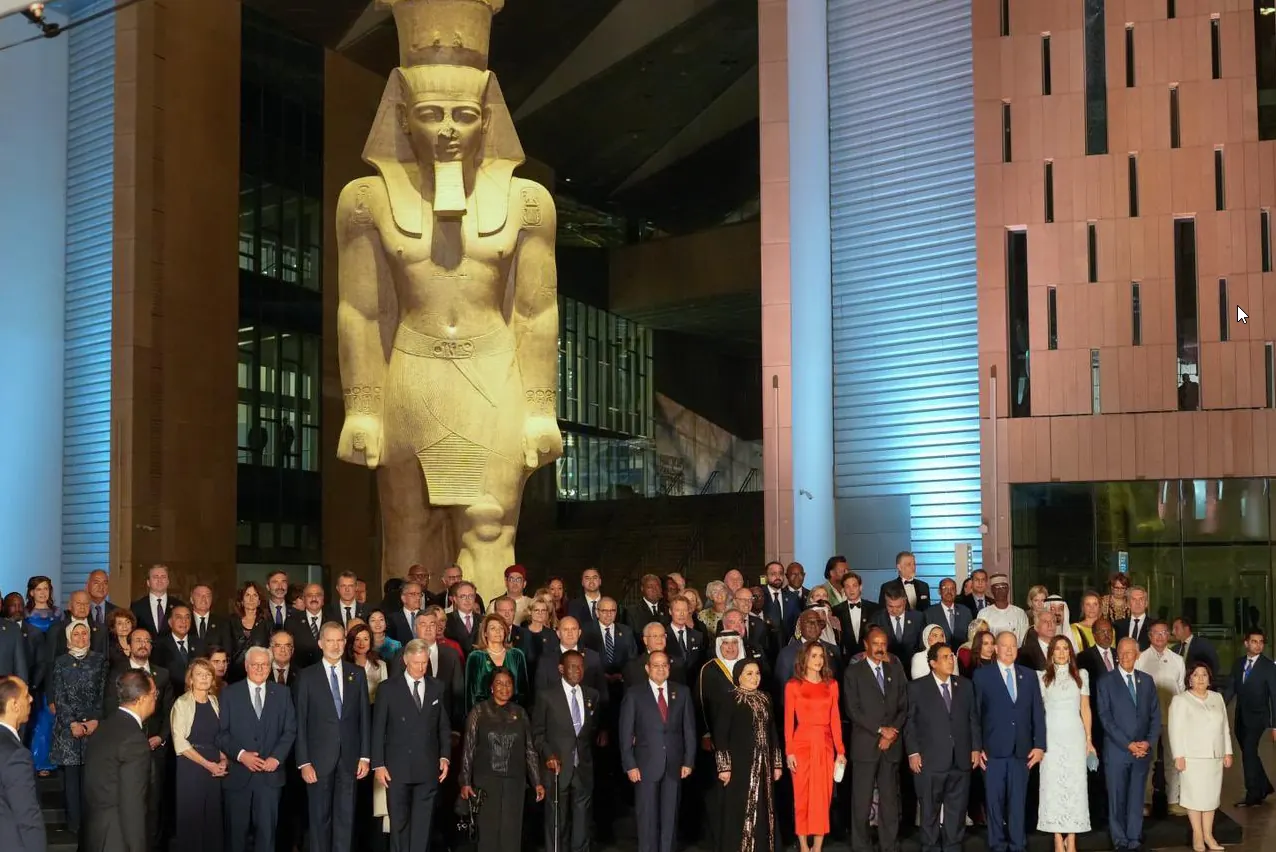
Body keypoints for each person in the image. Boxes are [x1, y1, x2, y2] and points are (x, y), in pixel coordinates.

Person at [296, 623, 371, 852]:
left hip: (350, 759)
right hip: (317, 761)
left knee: (346, 819)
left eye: (340, 640)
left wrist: (365, 757)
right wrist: (304, 761)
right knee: (319, 820)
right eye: (330, 640)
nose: (336, 645)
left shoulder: (356, 674)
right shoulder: (307, 676)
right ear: (320, 644)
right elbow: (300, 721)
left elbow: (364, 718)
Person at [372, 639, 452, 852]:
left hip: (427, 767)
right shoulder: (388, 689)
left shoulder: (437, 687)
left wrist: (445, 756)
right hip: (396, 769)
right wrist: (378, 764)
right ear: (406, 660)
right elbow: (379, 728)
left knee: (423, 826)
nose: (421, 667)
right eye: (416, 662)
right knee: (399, 824)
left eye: (424, 662)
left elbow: (443, 726)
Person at [216, 645, 298, 852]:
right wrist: (242, 755)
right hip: (238, 776)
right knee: (236, 837)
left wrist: (276, 758)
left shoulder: (283, 693)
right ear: (246, 666)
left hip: (270, 778)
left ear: (270, 667)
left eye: (264, 665)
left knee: (267, 835)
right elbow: (221, 733)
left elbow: (290, 731)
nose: (260, 669)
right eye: (255, 665)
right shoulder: (229, 694)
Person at [972, 631, 1046, 852]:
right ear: (995, 648)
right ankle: (997, 845)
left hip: (1022, 752)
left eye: (1013, 646)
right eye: (1004, 645)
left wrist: (1040, 745)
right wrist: (977, 747)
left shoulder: (1029, 676)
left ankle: (1017, 845)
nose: (1009, 649)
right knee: (994, 804)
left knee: (1018, 803)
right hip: (993, 752)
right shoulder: (982, 676)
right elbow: (974, 715)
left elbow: (1037, 714)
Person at [103, 627, 175, 852]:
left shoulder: (162, 675)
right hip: (124, 751)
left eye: (147, 640)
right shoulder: (116, 673)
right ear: (129, 645)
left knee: (154, 805)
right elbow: (109, 710)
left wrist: (160, 738)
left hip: (155, 750)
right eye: (138, 640)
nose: (143, 644)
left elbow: (169, 711)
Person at [905, 642, 980, 852]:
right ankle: (930, 847)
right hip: (930, 761)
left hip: (960, 759)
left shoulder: (964, 685)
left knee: (956, 810)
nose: (951, 660)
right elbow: (909, 722)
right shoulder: (917, 688)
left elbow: (973, 718)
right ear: (932, 663)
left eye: (951, 656)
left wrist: (975, 747)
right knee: (929, 810)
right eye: (945, 657)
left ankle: (952, 846)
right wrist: (913, 752)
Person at [459, 669, 544, 852]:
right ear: (491, 687)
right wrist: (465, 781)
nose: (504, 688)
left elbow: (529, 749)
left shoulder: (520, 713)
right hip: (486, 781)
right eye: (499, 683)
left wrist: (537, 781)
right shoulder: (479, 712)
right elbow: (469, 748)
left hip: (515, 782)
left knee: (511, 833)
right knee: (488, 834)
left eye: (508, 684)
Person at [618, 651, 694, 852]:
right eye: (656, 665)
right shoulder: (634, 694)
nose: (661, 669)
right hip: (645, 765)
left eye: (664, 665)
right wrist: (630, 765)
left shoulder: (683, 692)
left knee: (670, 818)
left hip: (674, 764)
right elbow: (625, 732)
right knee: (647, 818)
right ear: (647, 668)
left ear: (669, 668)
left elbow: (689, 730)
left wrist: (688, 761)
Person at [845, 626, 907, 852]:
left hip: (891, 746)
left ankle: (889, 845)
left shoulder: (896, 670)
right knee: (861, 801)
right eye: (876, 643)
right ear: (866, 645)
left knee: (890, 801)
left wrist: (891, 734)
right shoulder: (854, 672)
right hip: (865, 745)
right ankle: (862, 846)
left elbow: (903, 707)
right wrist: (881, 730)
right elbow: (853, 709)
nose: (880, 648)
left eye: (883, 643)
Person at [1096, 638, 1161, 852]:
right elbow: (1105, 719)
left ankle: (1134, 838)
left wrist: (1148, 743)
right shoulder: (1106, 681)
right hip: (1117, 751)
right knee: (1117, 798)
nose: (1125, 656)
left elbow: (1155, 715)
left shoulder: (1147, 681)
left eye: (1130, 653)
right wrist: (1128, 744)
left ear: (1137, 655)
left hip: (1142, 752)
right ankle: (1120, 840)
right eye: (1121, 653)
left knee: (1136, 798)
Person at [532, 649, 599, 852]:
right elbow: (538, 733)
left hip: (583, 768)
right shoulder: (547, 696)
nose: (577, 670)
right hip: (557, 768)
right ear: (561, 669)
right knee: (556, 820)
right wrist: (548, 754)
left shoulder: (592, 695)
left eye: (580, 666)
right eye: (572, 666)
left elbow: (590, 731)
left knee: (582, 820)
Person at [713, 659, 783, 852]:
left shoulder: (765, 698)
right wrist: (724, 767)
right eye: (749, 674)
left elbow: (773, 732)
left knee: (763, 806)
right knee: (740, 806)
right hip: (740, 766)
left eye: (757, 673)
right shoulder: (731, 699)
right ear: (739, 676)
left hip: (764, 765)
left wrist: (776, 763)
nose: (755, 678)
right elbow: (721, 734)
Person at [84, 669, 157, 852]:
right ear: (142, 699)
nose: (156, 698)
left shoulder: (103, 728)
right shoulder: (134, 740)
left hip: (95, 832)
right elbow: (132, 803)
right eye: (154, 694)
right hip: (118, 838)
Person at [784, 641, 844, 852]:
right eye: (814, 656)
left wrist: (841, 751)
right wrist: (789, 750)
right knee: (801, 796)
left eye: (821, 656)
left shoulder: (832, 685)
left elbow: (835, 719)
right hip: (801, 744)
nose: (818, 660)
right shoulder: (793, 685)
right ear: (804, 659)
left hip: (825, 745)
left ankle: (817, 846)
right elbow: (788, 722)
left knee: (822, 797)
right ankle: (802, 844)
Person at [50, 621, 107, 836]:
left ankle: (91, 824)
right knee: (71, 781)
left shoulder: (100, 660)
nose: (81, 638)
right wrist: (72, 723)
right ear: (68, 639)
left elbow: (103, 694)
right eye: (76, 634)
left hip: (93, 728)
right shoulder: (61, 662)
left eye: (85, 634)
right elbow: (59, 695)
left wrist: (94, 720)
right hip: (68, 729)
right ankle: (74, 825)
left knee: (92, 779)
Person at [1037, 636, 1094, 852]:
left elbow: (1085, 708)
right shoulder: (1042, 678)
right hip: (1051, 737)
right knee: (1052, 785)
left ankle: (1072, 837)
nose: (1061, 653)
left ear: (1070, 652)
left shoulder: (1081, 675)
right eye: (1057, 649)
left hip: (1074, 736)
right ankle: (1056, 837)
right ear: (1051, 652)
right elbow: (1039, 711)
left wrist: (1089, 740)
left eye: (1065, 648)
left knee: (1075, 785)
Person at [1169, 661, 1231, 852]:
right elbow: (1175, 730)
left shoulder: (1217, 698)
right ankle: (1197, 835)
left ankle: (1208, 835)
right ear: (1189, 678)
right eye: (1196, 675)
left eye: (1204, 674)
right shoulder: (1181, 700)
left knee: (1211, 798)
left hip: (1214, 756)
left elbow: (1224, 728)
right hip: (1192, 757)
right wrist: (1178, 755)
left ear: (1209, 678)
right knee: (1194, 797)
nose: (1200, 678)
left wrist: (1227, 751)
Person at [170, 658, 227, 852]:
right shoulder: (182, 703)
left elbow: (221, 735)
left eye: (207, 674)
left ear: (213, 679)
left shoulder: (215, 701)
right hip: (191, 766)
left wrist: (223, 760)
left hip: (215, 767)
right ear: (191, 679)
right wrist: (208, 764)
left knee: (213, 818)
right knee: (192, 818)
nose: (204, 678)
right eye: (199, 674)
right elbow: (180, 742)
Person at [1220, 627, 1276, 808]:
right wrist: (1217, 708)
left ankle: (1253, 794)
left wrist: (1275, 726)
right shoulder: (1238, 664)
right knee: (1249, 754)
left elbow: (1275, 696)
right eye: (1254, 641)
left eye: (1261, 642)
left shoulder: (1268, 667)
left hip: (1259, 718)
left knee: (1249, 753)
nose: (1258, 645)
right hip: (1240, 717)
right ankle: (1264, 786)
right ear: (1246, 643)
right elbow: (1230, 689)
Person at [1136, 619, 1185, 814]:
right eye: (1156, 633)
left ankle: (1173, 800)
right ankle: (1145, 802)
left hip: (1172, 718)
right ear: (1149, 636)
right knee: (1147, 760)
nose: (1160, 636)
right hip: (1148, 719)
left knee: (1173, 759)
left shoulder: (1178, 660)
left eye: (1164, 632)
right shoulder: (1140, 659)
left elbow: (1181, 690)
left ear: (1169, 635)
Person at [0, 675, 44, 852]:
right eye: (26, 695)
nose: (32, 699)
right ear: (14, 705)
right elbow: (27, 819)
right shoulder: (16, 755)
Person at [22, 575, 60, 775]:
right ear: (31, 592)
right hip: (32, 668)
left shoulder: (58, 613)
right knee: (33, 715)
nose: (43, 592)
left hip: (52, 669)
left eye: (46, 588)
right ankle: (33, 760)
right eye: (39, 589)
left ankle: (47, 761)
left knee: (48, 714)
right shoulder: (25, 614)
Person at [464, 613, 530, 712]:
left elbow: (523, 690)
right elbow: (470, 694)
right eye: (493, 628)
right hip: (484, 713)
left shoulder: (517, 655)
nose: (498, 631)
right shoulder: (475, 657)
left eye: (501, 628)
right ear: (485, 633)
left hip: (513, 713)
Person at [831, 571, 878, 656]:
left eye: (854, 586)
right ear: (843, 589)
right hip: (845, 658)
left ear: (860, 587)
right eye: (847, 587)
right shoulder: (836, 611)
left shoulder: (874, 608)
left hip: (870, 656)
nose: (851, 590)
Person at [130, 564, 183, 638]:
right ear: (148, 582)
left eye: (163, 577)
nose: (160, 580)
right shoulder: (137, 607)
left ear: (168, 582)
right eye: (155, 577)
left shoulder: (179, 605)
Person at [974, 575, 1029, 644]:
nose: (1000, 590)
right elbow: (980, 639)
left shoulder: (1020, 613)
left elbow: (1024, 640)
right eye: (997, 587)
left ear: (1008, 589)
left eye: (1003, 587)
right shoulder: (983, 613)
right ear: (992, 590)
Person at [289, 584, 329, 670]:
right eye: (310, 595)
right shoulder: (291, 622)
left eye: (318, 595)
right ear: (303, 599)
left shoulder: (333, 620)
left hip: (327, 672)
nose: (314, 599)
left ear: (323, 600)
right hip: (300, 673)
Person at [923, 578, 972, 647]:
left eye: (952, 589)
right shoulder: (929, 613)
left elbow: (970, 638)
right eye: (945, 588)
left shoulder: (965, 611)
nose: (949, 592)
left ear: (956, 592)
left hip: (962, 654)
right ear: (939, 591)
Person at [1172, 618, 1219, 683]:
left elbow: (1214, 665)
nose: (1173, 632)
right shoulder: (1174, 649)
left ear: (1186, 628)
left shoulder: (1203, 644)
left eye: (1176, 628)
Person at [763, 561, 801, 640]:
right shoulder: (761, 596)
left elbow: (797, 623)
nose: (778, 577)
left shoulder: (792, 597)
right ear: (766, 577)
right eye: (773, 574)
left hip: (787, 645)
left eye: (780, 573)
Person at [445, 581, 484, 656]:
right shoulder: (446, 620)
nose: (467, 600)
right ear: (455, 599)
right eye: (463, 596)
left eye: (471, 596)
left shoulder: (483, 620)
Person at [1114, 587, 1152, 651]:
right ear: (1128, 604)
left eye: (1141, 599)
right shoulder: (1118, 625)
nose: (1137, 603)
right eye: (1134, 599)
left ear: (1146, 603)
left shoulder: (1154, 625)